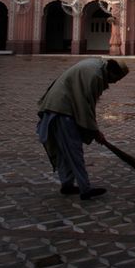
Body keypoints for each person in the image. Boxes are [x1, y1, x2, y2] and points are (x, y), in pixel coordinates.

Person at [36, 57, 129, 200]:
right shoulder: (95, 75)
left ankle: (67, 184)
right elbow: (85, 105)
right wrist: (94, 131)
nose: (114, 83)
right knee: (74, 151)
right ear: (113, 73)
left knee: (64, 151)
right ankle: (85, 189)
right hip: (62, 111)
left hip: (57, 107)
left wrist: (93, 130)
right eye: (116, 79)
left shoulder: (97, 66)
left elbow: (84, 102)